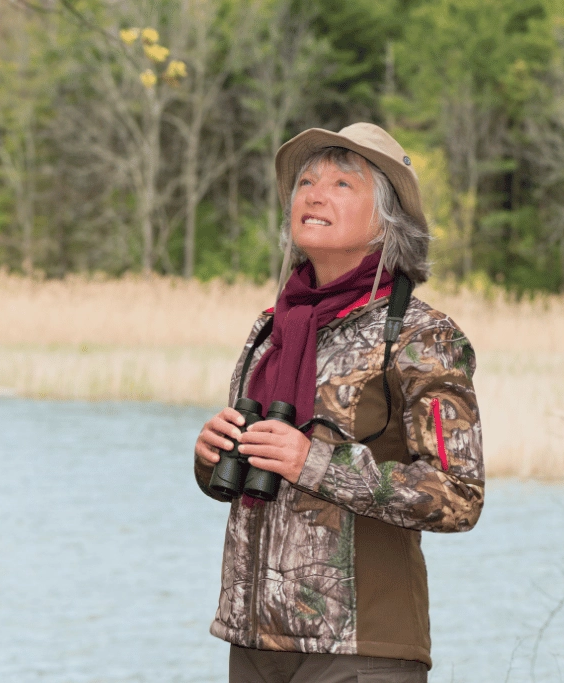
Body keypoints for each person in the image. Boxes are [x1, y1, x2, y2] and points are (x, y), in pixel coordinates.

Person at [193, 123, 484, 682]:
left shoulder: (421, 337)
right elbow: (242, 484)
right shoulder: (273, 329)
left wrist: (312, 462)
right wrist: (211, 457)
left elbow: (459, 497)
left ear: (388, 219)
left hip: (364, 650)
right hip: (253, 643)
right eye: (306, 181)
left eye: (342, 184)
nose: (314, 194)